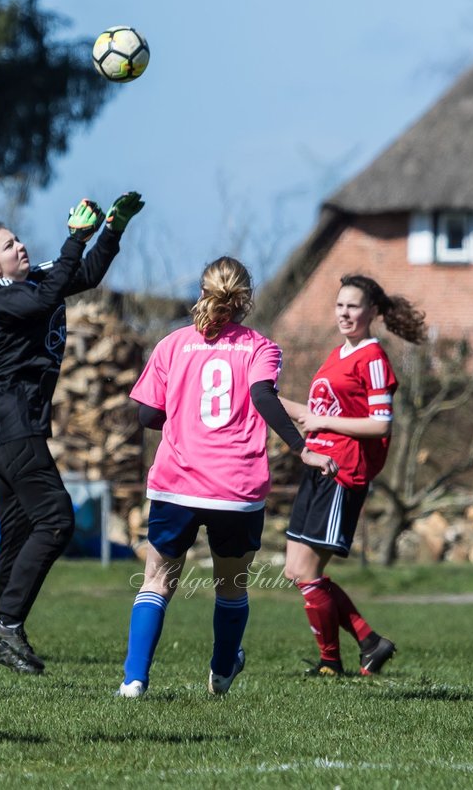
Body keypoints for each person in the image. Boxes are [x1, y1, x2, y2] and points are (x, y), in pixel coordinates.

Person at [0, 192, 143, 675]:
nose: (21, 246)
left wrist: (111, 228)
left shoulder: (29, 282)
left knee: (16, 533)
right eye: (10, 245)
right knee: (56, 519)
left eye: (19, 239)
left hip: (5, 426)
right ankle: (8, 623)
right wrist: (75, 237)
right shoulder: (1, 298)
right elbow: (47, 297)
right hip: (7, 426)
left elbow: (85, 274)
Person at [117, 257, 337, 697]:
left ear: (202, 292)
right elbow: (261, 396)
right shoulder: (260, 347)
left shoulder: (171, 344)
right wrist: (302, 449)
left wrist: (182, 418)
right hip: (235, 487)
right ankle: (221, 671)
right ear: (245, 299)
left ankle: (134, 680)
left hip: (176, 482)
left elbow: (146, 415)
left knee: (157, 581)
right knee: (231, 586)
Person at [279, 273, 427, 676]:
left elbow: (380, 424)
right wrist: (266, 397)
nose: (344, 312)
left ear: (372, 312)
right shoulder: (336, 355)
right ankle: (370, 642)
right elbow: (315, 415)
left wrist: (322, 421)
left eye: (353, 306)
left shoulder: (373, 358)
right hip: (316, 466)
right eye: (340, 304)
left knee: (308, 571)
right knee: (296, 570)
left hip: (342, 472)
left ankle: (332, 662)